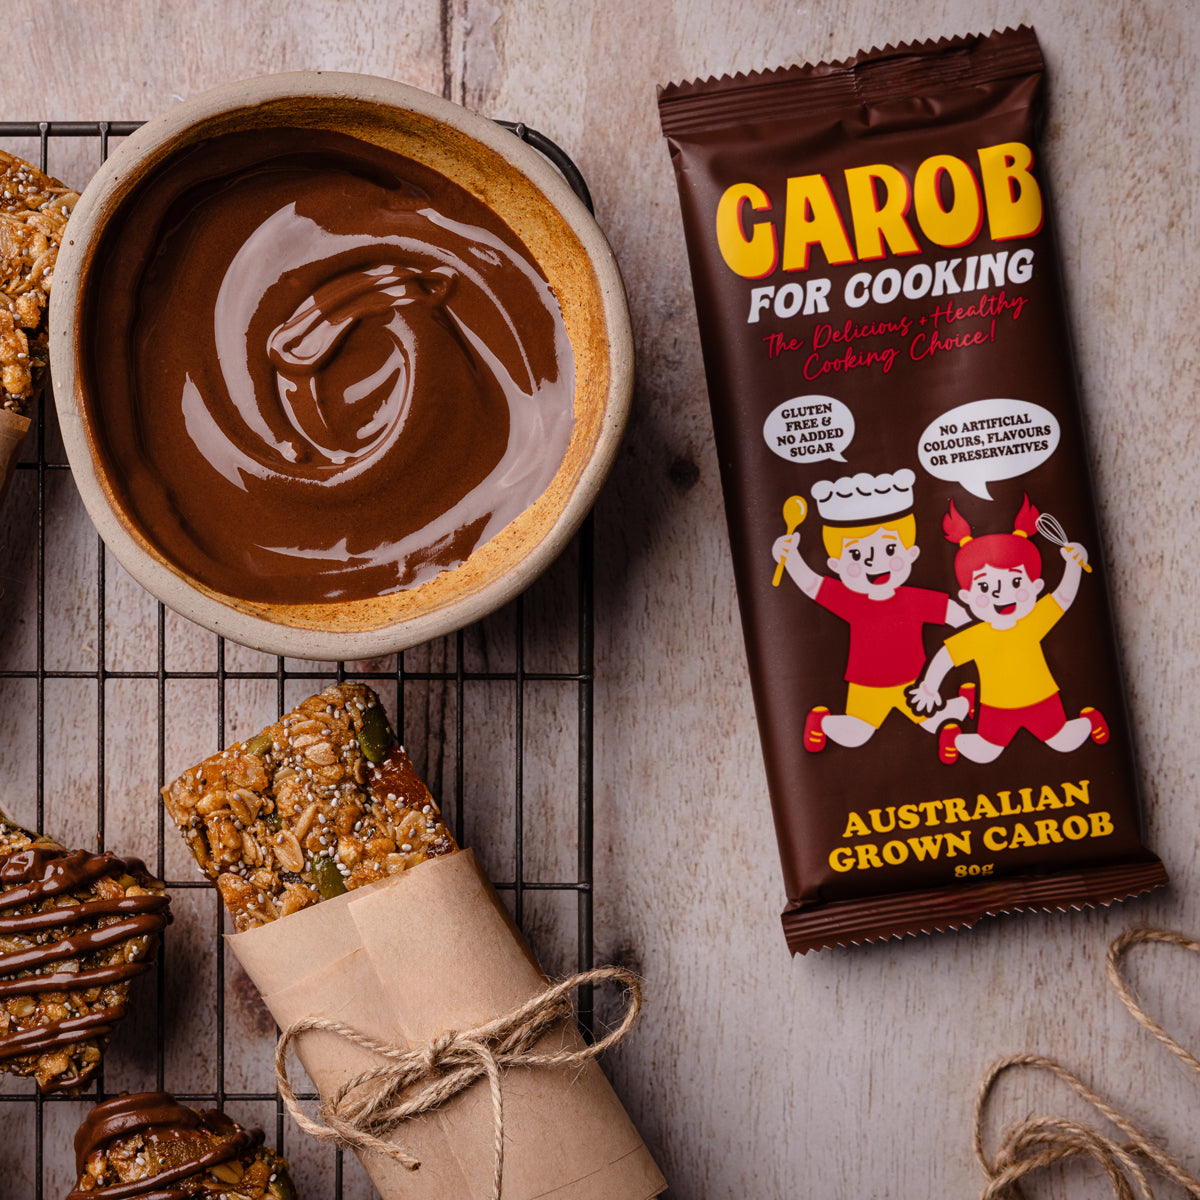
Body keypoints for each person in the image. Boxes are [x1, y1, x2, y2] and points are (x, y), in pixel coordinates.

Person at [773, 469, 970, 751]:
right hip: (867, 684)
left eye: (890, 550)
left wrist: (980, 624)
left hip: (913, 678)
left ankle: (964, 701)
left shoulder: (914, 598)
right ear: (836, 566)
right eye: (856, 554)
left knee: (933, 721)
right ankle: (821, 722)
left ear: (911, 553)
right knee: (856, 735)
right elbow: (813, 585)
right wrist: (790, 559)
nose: (875, 563)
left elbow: (954, 614)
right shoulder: (851, 600)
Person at [907, 495, 1108, 764]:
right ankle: (953, 737)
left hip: (1042, 699)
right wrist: (929, 688)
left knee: (1064, 742)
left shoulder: (1033, 620)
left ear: (1036, 587)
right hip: (996, 707)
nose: (1002, 594)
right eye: (985, 587)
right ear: (966, 597)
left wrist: (1074, 565)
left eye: (1016, 581)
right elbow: (946, 656)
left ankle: (1089, 720)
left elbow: (1063, 598)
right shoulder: (977, 636)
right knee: (985, 753)